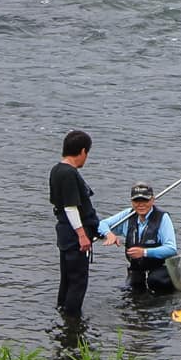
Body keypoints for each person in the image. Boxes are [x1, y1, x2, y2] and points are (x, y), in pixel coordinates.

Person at [48, 130, 119, 317]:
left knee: (67, 279)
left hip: (64, 233)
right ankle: (72, 321)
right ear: (82, 151)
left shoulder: (56, 170)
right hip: (74, 235)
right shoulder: (69, 173)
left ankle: (62, 315)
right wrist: (82, 236)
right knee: (78, 281)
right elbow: (70, 207)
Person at [98, 182, 178, 293]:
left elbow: (171, 249)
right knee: (129, 290)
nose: (140, 204)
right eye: (136, 201)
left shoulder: (163, 218)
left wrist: (144, 252)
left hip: (161, 267)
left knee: (156, 281)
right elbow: (102, 224)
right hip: (137, 268)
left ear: (152, 200)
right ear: (132, 202)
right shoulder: (128, 215)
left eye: (145, 200)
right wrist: (109, 234)